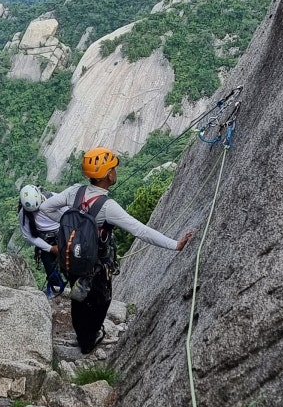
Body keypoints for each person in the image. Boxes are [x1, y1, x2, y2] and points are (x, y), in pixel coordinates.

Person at [43, 147, 194, 355]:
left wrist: (70, 228)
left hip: (72, 259)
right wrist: (174, 245)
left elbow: (46, 208)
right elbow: (140, 230)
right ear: (107, 174)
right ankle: (88, 342)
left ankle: (81, 334)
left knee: (78, 296)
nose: (115, 171)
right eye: (113, 168)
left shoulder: (74, 192)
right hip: (96, 266)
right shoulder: (107, 206)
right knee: (100, 301)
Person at [18, 183, 67, 301]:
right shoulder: (24, 214)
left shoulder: (55, 199)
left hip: (65, 233)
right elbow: (30, 236)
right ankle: (58, 293)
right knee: (51, 271)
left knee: (73, 264)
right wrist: (51, 249)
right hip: (47, 241)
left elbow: (71, 215)